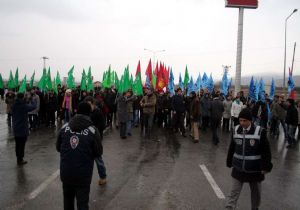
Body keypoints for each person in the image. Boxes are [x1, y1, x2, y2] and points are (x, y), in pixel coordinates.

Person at [56, 102, 102, 210]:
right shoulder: (92, 130)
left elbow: (58, 147)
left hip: (66, 173)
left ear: (77, 111)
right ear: (89, 113)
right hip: (83, 175)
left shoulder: (65, 127)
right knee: (82, 203)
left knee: (67, 203)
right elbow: (98, 152)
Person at [226, 108, 273, 210]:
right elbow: (232, 147)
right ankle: (229, 208)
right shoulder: (235, 130)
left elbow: (266, 151)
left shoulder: (260, 132)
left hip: (255, 170)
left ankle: (255, 208)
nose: (242, 123)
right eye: (240, 120)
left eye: (244, 121)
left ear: (250, 120)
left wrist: (266, 166)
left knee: (256, 194)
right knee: (233, 193)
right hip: (238, 168)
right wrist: (229, 161)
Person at [84, 96, 107, 186]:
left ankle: (103, 176)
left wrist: (94, 129)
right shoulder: (86, 112)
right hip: (86, 138)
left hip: (96, 138)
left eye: (89, 104)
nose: (88, 106)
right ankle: (85, 177)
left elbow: (103, 125)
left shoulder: (98, 112)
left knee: (98, 158)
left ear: (93, 104)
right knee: (85, 159)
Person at [11, 92, 36, 165]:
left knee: (17, 144)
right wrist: (31, 99)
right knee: (22, 145)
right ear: (22, 98)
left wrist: (24, 100)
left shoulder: (14, 105)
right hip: (22, 128)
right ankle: (20, 159)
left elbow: (20, 102)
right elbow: (33, 106)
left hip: (15, 127)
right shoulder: (23, 106)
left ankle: (18, 158)